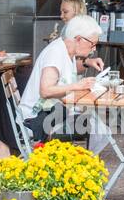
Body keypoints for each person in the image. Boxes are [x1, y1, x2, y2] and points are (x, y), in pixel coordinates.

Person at [17, 15, 103, 145]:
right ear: (79, 39)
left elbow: (67, 73)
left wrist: (89, 63)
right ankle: (78, 162)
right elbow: (45, 91)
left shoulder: (66, 50)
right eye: (93, 44)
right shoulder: (55, 53)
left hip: (50, 113)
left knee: (93, 122)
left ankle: (80, 162)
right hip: (36, 119)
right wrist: (76, 86)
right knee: (92, 125)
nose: (94, 48)